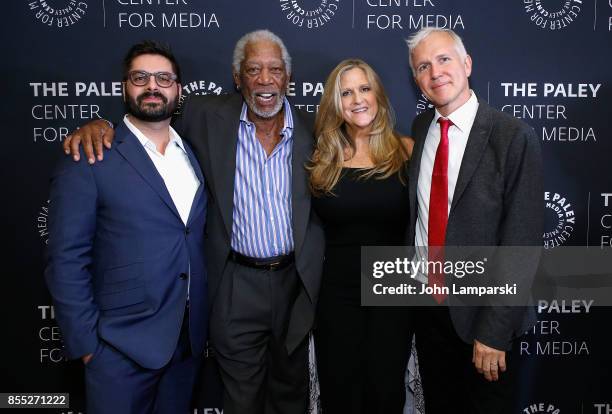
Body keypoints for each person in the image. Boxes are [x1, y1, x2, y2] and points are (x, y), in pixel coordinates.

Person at [62, 30, 325, 414]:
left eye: (275, 70)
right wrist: (99, 124)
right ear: (237, 78)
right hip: (235, 283)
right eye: (253, 69)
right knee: (240, 398)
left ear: (288, 77)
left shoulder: (315, 129)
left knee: (291, 393)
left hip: (295, 282)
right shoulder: (204, 116)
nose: (265, 80)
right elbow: (148, 118)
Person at [45, 40, 208, 414]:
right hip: (118, 349)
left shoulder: (194, 152)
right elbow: (66, 257)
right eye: (141, 77)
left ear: (178, 89)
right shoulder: (90, 154)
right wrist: (88, 347)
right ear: (124, 86)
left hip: (186, 344)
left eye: (163, 78)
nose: (153, 86)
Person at [406, 27, 543, 413]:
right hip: (429, 311)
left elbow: (521, 243)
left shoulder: (512, 136)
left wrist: (495, 332)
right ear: (416, 79)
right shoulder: (421, 130)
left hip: (483, 319)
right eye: (423, 66)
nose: (435, 73)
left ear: (467, 64)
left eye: (444, 59)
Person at [308, 59, 414, 413]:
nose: (357, 99)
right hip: (337, 292)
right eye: (346, 92)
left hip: (393, 290)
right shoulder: (321, 159)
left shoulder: (406, 151)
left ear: (379, 95)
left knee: (385, 393)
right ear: (335, 103)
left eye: (364, 88)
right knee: (341, 394)